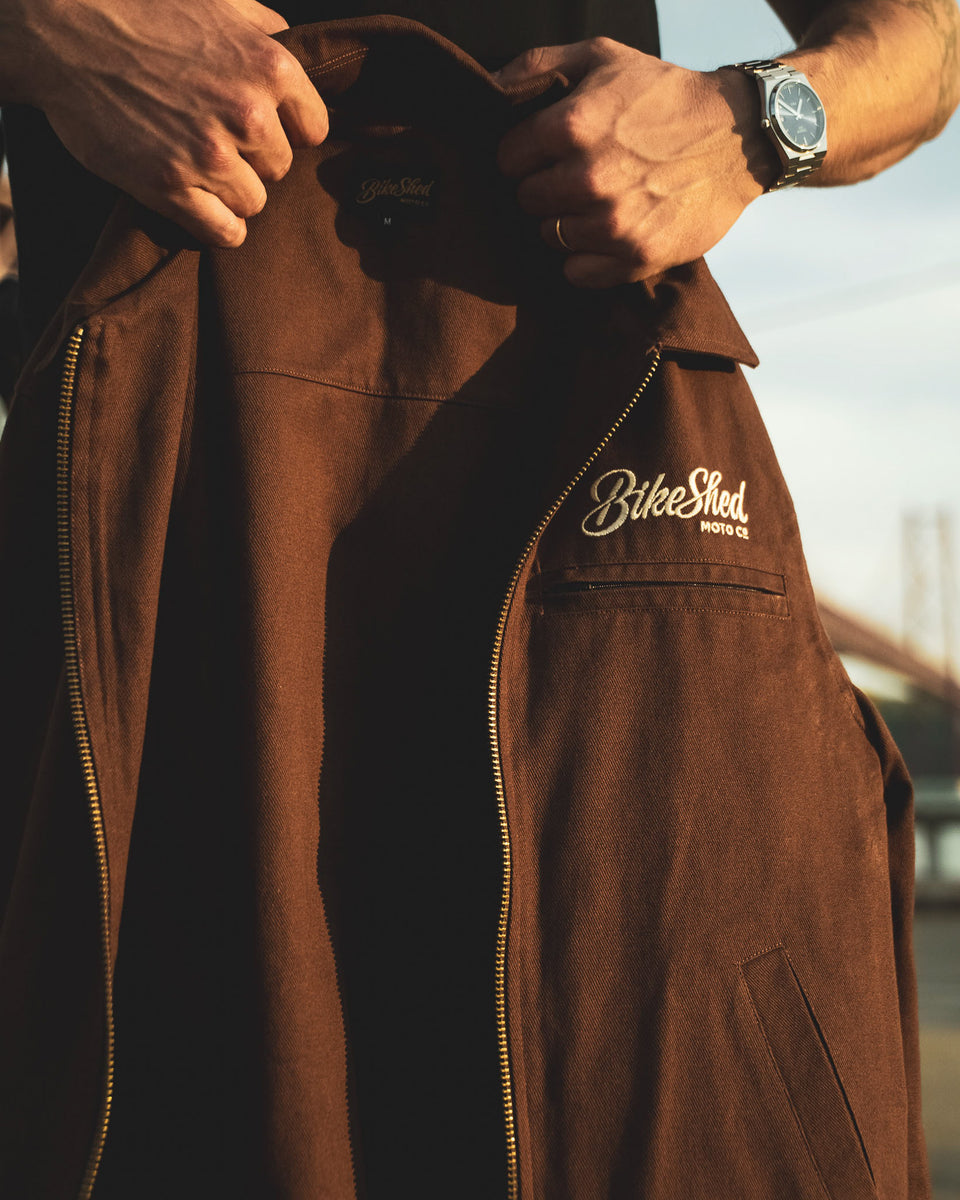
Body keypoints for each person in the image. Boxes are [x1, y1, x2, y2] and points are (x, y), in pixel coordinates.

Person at [0, 4, 957, 1200]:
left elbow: (928, 44)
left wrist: (749, 120)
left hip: (612, 488)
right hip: (161, 497)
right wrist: (53, 33)